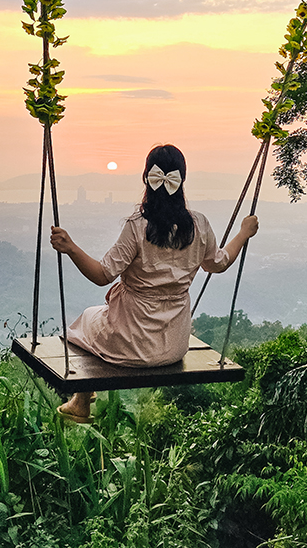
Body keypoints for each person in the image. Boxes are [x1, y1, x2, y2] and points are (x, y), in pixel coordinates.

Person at [49, 143, 259, 423]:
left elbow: (102, 276)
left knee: (86, 320)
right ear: (181, 180)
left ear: (146, 179)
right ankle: (83, 398)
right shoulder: (199, 225)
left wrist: (71, 247)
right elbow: (218, 263)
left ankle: (81, 399)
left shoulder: (137, 226)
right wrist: (243, 233)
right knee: (98, 320)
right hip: (173, 346)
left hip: (131, 344)